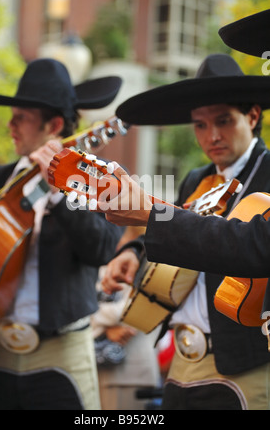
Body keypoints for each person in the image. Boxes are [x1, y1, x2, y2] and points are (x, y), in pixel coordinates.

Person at [93, 53, 270, 409]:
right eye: (200, 125)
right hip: (182, 360)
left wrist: (147, 213)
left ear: (252, 116)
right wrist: (132, 252)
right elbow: (184, 230)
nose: (212, 136)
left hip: (247, 363)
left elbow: (243, 244)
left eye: (223, 120)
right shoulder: (196, 179)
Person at [0, 58, 124, 410]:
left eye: (20, 117)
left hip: (62, 355)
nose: (10, 125)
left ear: (54, 125)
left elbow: (101, 249)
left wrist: (60, 189)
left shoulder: (97, 179)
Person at [91, 228, 160, 410]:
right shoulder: (100, 253)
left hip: (131, 373)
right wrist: (103, 328)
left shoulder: (154, 258)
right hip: (95, 369)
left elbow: (142, 307)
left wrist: (93, 318)